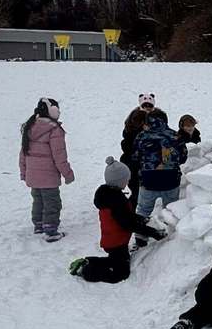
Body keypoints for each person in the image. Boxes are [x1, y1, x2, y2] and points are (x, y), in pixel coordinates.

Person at [69, 157, 165, 283]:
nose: (128, 181)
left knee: (116, 261)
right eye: (126, 179)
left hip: (115, 239)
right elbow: (128, 224)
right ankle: (86, 271)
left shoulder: (111, 195)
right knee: (121, 273)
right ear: (119, 181)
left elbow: (127, 216)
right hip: (116, 243)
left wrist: (142, 219)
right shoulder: (116, 202)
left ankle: (88, 261)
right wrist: (153, 232)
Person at [19, 97, 75, 242]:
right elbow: (59, 156)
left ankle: (39, 225)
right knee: (52, 203)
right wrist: (68, 174)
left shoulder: (30, 126)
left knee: (38, 201)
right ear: (53, 111)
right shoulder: (54, 130)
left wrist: (24, 172)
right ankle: (50, 230)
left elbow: (23, 154)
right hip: (49, 177)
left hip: (33, 176)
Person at [134, 108, 187, 245]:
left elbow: (135, 157)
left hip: (148, 181)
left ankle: (140, 239)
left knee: (143, 211)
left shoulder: (141, 136)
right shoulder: (175, 136)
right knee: (170, 209)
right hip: (171, 180)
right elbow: (183, 157)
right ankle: (169, 239)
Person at [120, 107, 148, 208]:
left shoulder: (128, 133)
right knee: (138, 192)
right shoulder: (140, 135)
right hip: (135, 167)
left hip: (130, 166)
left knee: (136, 191)